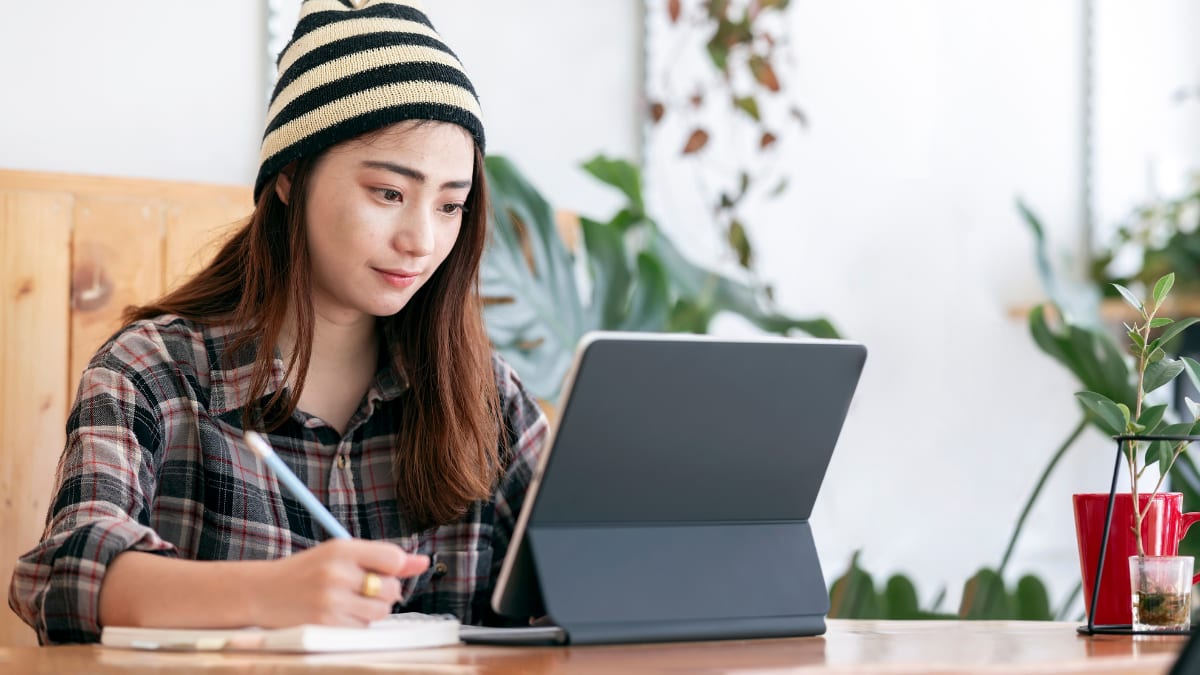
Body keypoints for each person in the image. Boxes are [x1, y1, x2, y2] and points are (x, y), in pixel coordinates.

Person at [8, 0, 548, 645]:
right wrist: (271, 592)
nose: (421, 240)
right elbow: (62, 576)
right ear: (290, 176)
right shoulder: (153, 373)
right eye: (389, 193)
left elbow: (585, 581)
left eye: (451, 205)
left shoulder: (489, 397)